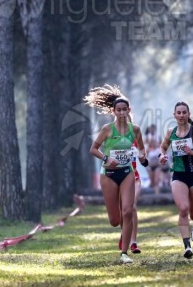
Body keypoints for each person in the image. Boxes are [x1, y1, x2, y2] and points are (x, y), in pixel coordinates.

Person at [84, 84, 148, 264]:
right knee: (115, 220)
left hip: (127, 172)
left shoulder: (134, 129)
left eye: (124, 110)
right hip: (109, 174)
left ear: (129, 110)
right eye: (118, 110)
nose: (121, 113)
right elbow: (93, 149)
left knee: (128, 210)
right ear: (113, 111)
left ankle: (124, 253)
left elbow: (141, 149)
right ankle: (121, 233)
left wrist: (142, 157)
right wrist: (106, 158)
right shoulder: (107, 129)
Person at [158, 102, 193, 259]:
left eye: (184, 112)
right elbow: (163, 147)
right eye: (178, 113)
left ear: (188, 115)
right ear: (174, 115)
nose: (181, 115)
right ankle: (187, 246)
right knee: (183, 209)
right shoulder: (170, 132)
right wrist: (162, 156)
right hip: (178, 174)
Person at [145, 124, 162, 194]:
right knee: (152, 181)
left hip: (157, 162)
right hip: (150, 163)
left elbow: (162, 147)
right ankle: (152, 195)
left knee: (156, 180)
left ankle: (157, 195)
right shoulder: (147, 137)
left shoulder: (158, 137)